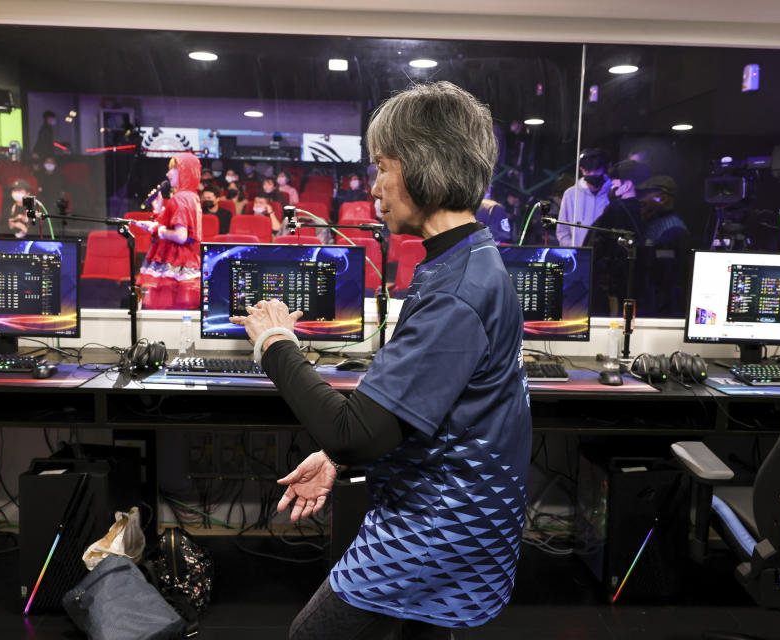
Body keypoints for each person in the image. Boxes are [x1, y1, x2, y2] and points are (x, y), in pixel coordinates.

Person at [230, 81, 532, 639]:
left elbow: (354, 433)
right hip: (462, 517)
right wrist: (337, 461)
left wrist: (275, 344)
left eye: (382, 167)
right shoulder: (469, 259)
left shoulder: (456, 290)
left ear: (422, 167)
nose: (374, 186)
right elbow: (434, 409)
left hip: (440, 527)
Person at [131, 153, 202, 310]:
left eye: (174, 169)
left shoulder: (180, 198)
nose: (168, 174)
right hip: (186, 260)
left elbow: (180, 236)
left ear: (185, 172)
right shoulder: (192, 197)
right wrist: (158, 212)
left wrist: (157, 228)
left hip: (173, 261)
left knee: (165, 310)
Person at [584, 160, 651, 316]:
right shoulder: (646, 212)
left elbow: (595, 246)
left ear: (626, 186)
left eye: (614, 183)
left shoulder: (615, 210)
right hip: (638, 284)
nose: (611, 188)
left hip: (613, 285)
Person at [635, 175, 692, 317]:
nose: (639, 200)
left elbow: (667, 280)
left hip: (661, 313)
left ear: (663, 198)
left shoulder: (673, 230)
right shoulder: (655, 224)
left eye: (645, 194)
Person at [556, 148, 611, 246]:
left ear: (604, 168)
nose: (592, 174)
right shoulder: (571, 194)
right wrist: (572, 251)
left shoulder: (613, 193)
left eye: (596, 170)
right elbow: (562, 230)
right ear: (581, 169)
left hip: (606, 258)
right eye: (588, 170)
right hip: (579, 256)